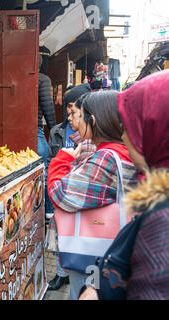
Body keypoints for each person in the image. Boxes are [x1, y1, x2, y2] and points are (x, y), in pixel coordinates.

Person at [80, 70, 169, 300]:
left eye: (130, 126)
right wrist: (95, 287)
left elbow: (64, 194)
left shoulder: (163, 220)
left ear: (156, 130)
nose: (125, 136)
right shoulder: (154, 194)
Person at [47, 90, 138, 300]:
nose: (74, 121)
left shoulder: (106, 157)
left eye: (79, 115)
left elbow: (60, 194)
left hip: (93, 252)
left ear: (93, 120)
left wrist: (61, 160)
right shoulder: (121, 150)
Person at [46, 84, 94, 291]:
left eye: (74, 110)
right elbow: (50, 160)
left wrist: (60, 168)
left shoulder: (90, 143)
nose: (70, 116)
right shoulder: (58, 131)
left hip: (70, 199)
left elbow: (62, 192)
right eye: (68, 109)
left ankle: (70, 276)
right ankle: (60, 273)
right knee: (59, 241)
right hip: (63, 193)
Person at [37, 47, 57, 218]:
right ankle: (48, 213)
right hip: (35, 132)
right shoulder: (43, 79)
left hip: (15, 133)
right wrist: (54, 129)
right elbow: (48, 107)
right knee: (45, 170)